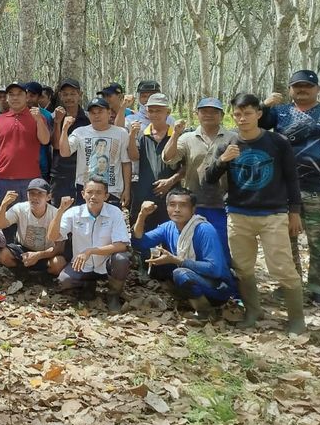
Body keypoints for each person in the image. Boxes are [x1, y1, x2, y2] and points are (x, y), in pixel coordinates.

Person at [205, 93, 306, 335]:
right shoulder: (226, 145)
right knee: (243, 267)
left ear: (259, 114)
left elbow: (292, 179)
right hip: (239, 214)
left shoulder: (277, 142)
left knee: (282, 267)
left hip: (273, 214)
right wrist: (222, 160)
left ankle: (296, 320)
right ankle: (253, 311)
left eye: (248, 113)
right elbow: (208, 178)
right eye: (238, 114)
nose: (242, 119)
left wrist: (294, 212)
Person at [259, 69, 320, 306]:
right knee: (285, 240)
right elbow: (250, 120)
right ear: (289, 90)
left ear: (318, 89)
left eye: (307, 86)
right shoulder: (278, 113)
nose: (302, 90)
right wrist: (265, 104)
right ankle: (290, 285)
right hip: (284, 186)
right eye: (297, 86)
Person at [132, 189, 235, 320]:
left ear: (193, 209)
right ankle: (188, 301)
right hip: (194, 279)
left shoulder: (204, 229)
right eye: (172, 205)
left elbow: (214, 270)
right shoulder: (168, 227)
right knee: (157, 267)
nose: (177, 209)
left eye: (183, 205)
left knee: (180, 274)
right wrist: (142, 215)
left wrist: (177, 260)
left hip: (218, 288)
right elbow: (139, 243)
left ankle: (205, 312)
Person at [161, 98, 236, 259]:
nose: (209, 115)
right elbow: (169, 158)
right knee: (192, 245)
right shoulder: (187, 138)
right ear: (197, 114)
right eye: (204, 111)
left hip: (222, 203)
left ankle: (224, 280)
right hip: (193, 203)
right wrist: (175, 134)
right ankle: (195, 281)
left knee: (221, 245)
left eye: (214, 112)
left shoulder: (231, 137)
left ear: (222, 115)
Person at [49, 178, 131, 313]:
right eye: (90, 192)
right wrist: (60, 211)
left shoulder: (114, 212)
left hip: (106, 264)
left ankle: (113, 295)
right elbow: (52, 237)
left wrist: (91, 251)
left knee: (121, 259)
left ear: (106, 196)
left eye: (99, 193)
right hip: (81, 265)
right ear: (83, 194)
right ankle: (88, 285)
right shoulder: (74, 212)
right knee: (64, 281)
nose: (93, 196)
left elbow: (122, 245)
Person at [0, 81, 50, 205]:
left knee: (30, 220)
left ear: (26, 97)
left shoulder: (37, 117)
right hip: (4, 179)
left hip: (31, 179)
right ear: (7, 98)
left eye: (19, 94)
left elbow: (45, 140)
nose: (15, 97)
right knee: (6, 220)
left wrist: (39, 120)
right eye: (11, 94)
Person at [61, 97, 131, 208]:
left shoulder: (121, 133)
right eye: (92, 113)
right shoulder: (80, 132)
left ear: (109, 113)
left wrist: (127, 189)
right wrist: (64, 129)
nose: (96, 116)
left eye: (100, 112)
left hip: (112, 189)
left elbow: (125, 162)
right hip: (86, 189)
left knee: (110, 222)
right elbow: (65, 152)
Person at [127, 93, 182, 231]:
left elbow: (186, 166)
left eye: (159, 110)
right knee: (141, 233)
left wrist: (170, 181)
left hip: (171, 194)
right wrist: (132, 135)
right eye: (151, 111)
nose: (154, 114)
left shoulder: (178, 135)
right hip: (144, 192)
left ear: (167, 112)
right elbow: (134, 157)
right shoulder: (142, 135)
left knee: (171, 234)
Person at [0, 178, 66, 279]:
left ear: (48, 197)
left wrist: (38, 255)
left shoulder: (56, 214)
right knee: (3, 255)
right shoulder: (20, 208)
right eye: (32, 193)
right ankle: (23, 272)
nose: (35, 197)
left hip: (46, 253)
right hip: (23, 251)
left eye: (40, 193)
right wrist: (3, 205)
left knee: (59, 263)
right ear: (27, 195)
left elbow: (59, 248)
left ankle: (40, 276)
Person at [50, 79, 89, 204]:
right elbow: (56, 145)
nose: (69, 97)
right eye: (65, 94)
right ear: (60, 96)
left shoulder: (89, 118)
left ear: (80, 95)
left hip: (84, 173)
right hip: (61, 173)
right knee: (61, 212)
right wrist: (57, 122)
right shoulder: (53, 116)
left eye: (73, 93)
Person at [24, 82, 55, 177]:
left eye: (32, 96)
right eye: (26, 95)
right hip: (22, 165)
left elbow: (48, 140)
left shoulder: (47, 115)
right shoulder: (16, 115)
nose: (28, 99)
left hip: (42, 164)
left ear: (39, 97)